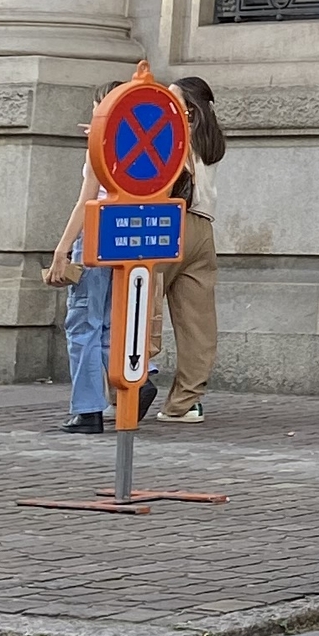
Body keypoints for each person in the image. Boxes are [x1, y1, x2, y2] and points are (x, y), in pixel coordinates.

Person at [42, 84, 158, 435]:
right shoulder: (144, 145)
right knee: (111, 322)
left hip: (95, 237)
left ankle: (88, 409)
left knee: (82, 325)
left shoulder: (100, 147)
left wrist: (62, 248)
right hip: (129, 237)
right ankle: (140, 380)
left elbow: (86, 201)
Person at [159, 75, 225, 423]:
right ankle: (186, 402)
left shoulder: (176, 133)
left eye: (173, 100)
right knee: (198, 323)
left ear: (188, 108)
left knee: (143, 303)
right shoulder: (211, 137)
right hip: (204, 228)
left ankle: (133, 382)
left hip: (171, 220)